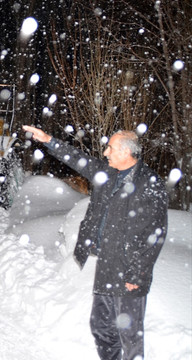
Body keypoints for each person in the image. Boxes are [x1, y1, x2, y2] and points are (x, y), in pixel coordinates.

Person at [22, 125, 168, 360]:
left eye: (110, 148)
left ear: (125, 152)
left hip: (129, 268)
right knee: (101, 326)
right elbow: (78, 159)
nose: (106, 153)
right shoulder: (107, 174)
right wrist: (49, 140)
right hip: (107, 263)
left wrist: (138, 275)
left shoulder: (149, 183)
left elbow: (156, 232)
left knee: (129, 335)